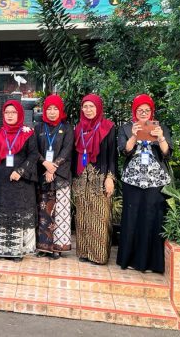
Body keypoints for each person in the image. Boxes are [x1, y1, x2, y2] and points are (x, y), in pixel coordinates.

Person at [116, 94, 172, 273]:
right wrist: (134, 135)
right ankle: (129, 259)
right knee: (132, 217)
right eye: (139, 110)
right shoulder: (126, 128)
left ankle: (152, 263)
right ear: (134, 111)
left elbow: (167, 153)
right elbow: (124, 151)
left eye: (147, 110)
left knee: (153, 218)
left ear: (151, 111)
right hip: (132, 180)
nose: (143, 113)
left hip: (155, 181)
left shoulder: (160, 127)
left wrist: (161, 137)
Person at [0, 100, 38, 261]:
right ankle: (2, 250)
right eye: (7, 112)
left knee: (19, 214)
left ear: (20, 114)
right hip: (1, 181)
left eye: (13, 112)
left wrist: (20, 171)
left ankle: (17, 252)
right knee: (3, 212)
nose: (10, 115)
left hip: (21, 183)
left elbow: (33, 155)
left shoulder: (28, 133)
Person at [72, 94, 117, 265]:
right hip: (81, 179)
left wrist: (110, 178)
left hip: (100, 177)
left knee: (100, 216)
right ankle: (84, 252)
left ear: (98, 108)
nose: (88, 110)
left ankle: (98, 255)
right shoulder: (78, 128)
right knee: (82, 216)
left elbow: (112, 156)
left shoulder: (108, 127)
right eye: (85, 106)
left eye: (91, 106)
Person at [34, 94, 74, 259]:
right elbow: (34, 150)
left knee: (60, 212)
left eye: (55, 109)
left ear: (60, 110)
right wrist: (45, 164)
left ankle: (58, 247)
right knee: (44, 211)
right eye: (49, 109)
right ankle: (44, 247)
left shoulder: (67, 128)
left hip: (61, 175)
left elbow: (67, 150)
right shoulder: (38, 128)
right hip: (43, 173)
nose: (52, 112)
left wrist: (53, 168)